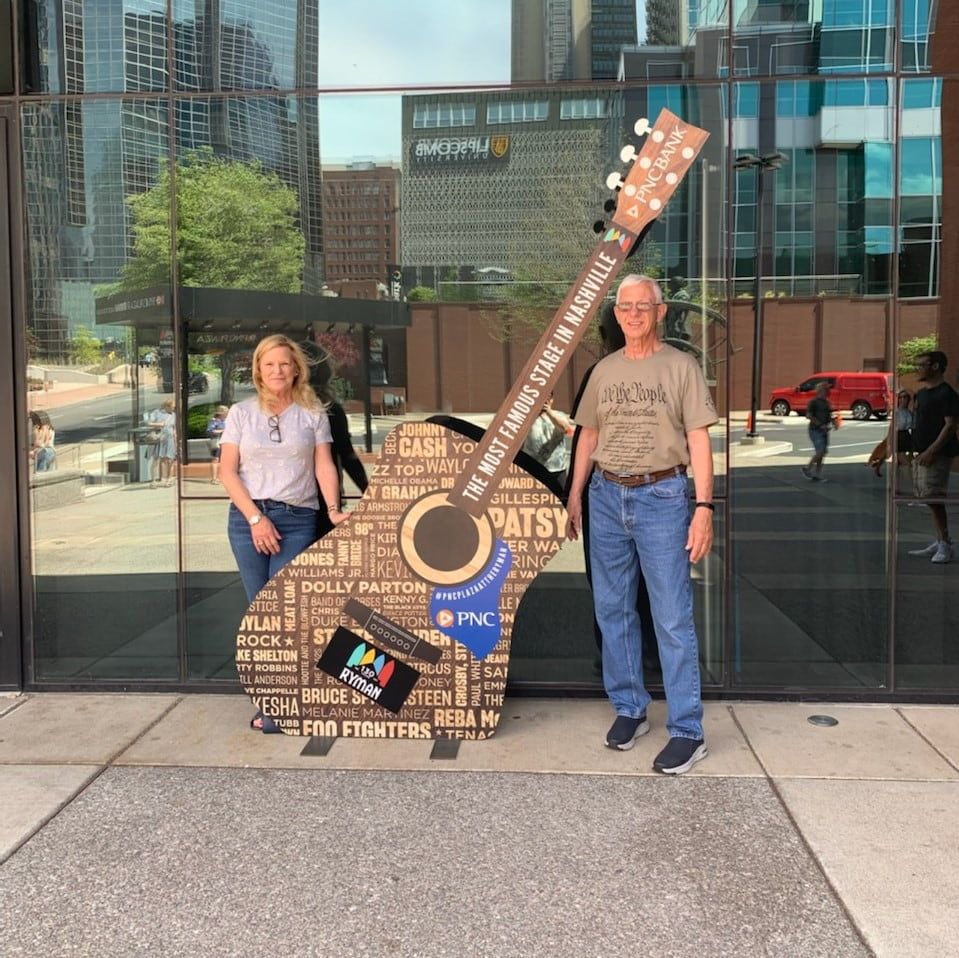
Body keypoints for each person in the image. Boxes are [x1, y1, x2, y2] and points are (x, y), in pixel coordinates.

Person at [566, 274, 717, 775]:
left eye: (642, 306)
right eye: (625, 306)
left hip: (662, 497)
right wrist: (575, 495)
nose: (633, 314)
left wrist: (703, 507)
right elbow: (588, 437)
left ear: (660, 311)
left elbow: (699, 441)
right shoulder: (603, 372)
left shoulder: (681, 367)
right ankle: (630, 707)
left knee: (671, 616)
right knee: (613, 610)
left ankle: (688, 730)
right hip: (606, 496)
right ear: (616, 314)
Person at [219, 334, 348, 732]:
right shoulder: (241, 413)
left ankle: (290, 702)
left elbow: (324, 465)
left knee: (285, 614)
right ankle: (273, 704)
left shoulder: (313, 413)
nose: (277, 370)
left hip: (296, 520)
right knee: (261, 617)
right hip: (248, 520)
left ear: (296, 370)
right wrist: (256, 519)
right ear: (258, 370)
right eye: (269, 364)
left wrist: (333, 509)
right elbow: (227, 471)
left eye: (284, 364)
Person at [567, 304, 660, 679]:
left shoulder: (599, 374)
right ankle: (652, 653)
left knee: (609, 582)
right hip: (654, 490)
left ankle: (615, 658)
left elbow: (584, 439)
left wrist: (574, 493)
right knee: (653, 580)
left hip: (605, 492)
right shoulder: (663, 370)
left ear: (605, 336)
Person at [904, 351, 959, 564]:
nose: (918, 369)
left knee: (934, 498)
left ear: (935, 366)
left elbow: (950, 425)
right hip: (921, 452)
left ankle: (945, 544)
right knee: (927, 498)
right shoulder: (922, 394)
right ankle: (940, 540)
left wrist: (932, 451)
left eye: (921, 365)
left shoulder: (946, 393)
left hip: (937, 454)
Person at [522, 393, 572, 490]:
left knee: (560, 496)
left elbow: (565, 428)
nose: (544, 401)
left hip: (557, 468)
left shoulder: (559, 415)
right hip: (533, 468)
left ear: (552, 400)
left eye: (547, 398)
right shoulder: (527, 417)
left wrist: (548, 412)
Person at [801, 382, 838, 481]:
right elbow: (809, 415)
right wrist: (820, 425)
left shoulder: (827, 402)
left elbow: (829, 416)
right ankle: (807, 468)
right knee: (820, 451)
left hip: (824, 431)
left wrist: (834, 422)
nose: (829, 391)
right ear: (821, 390)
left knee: (822, 453)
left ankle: (817, 474)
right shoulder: (813, 402)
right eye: (826, 389)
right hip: (815, 430)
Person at [147, 398, 177, 487]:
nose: (174, 409)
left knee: (170, 459)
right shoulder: (157, 412)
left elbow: (174, 428)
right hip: (159, 439)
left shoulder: (173, 415)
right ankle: (154, 480)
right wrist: (159, 424)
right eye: (172, 407)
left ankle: (168, 479)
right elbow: (149, 423)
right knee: (156, 460)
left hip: (170, 439)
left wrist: (176, 440)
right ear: (167, 406)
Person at [206, 405, 229, 483]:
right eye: (225, 412)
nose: (227, 414)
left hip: (226, 442)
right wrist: (221, 431)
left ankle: (223, 477)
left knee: (225, 460)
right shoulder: (214, 421)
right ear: (221, 413)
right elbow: (210, 431)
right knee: (215, 459)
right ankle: (214, 478)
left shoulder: (227, 421)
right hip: (217, 441)